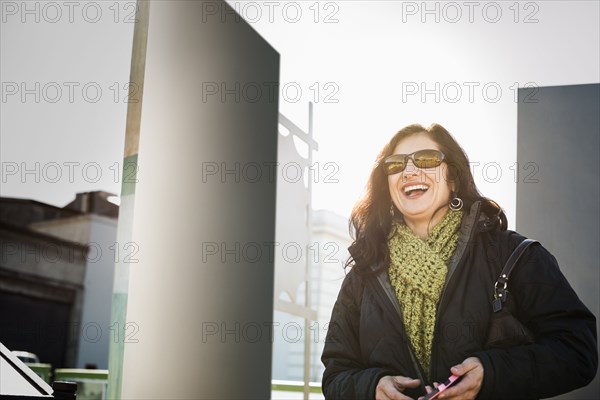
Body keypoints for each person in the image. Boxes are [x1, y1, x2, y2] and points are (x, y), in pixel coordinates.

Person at [321, 123, 598, 400]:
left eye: (426, 159)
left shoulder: (513, 255)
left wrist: (491, 374)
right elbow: (336, 375)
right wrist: (372, 388)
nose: (409, 171)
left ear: (453, 177)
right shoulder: (364, 274)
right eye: (395, 165)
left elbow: (577, 350)